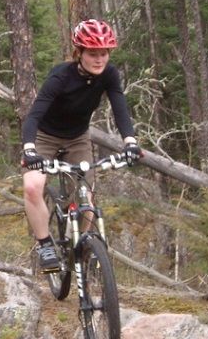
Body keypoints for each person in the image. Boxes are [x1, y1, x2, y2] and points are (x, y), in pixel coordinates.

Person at [20, 19, 142, 272]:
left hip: (77, 137)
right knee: (32, 187)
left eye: (104, 53)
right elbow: (34, 115)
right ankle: (44, 244)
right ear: (79, 53)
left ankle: (82, 244)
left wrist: (130, 141)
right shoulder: (60, 77)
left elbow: (119, 106)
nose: (99, 60)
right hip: (45, 136)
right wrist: (29, 149)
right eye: (93, 54)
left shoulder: (109, 74)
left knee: (86, 195)